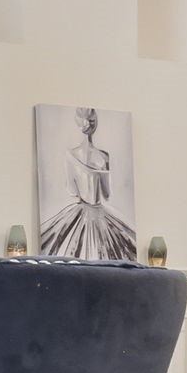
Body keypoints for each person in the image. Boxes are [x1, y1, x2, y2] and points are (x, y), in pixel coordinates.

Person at [40, 107, 136, 261]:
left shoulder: (70, 155)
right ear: (94, 123)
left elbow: (71, 190)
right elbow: (107, 194)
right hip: (100, 214)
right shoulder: (104, 157)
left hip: (81, 212)